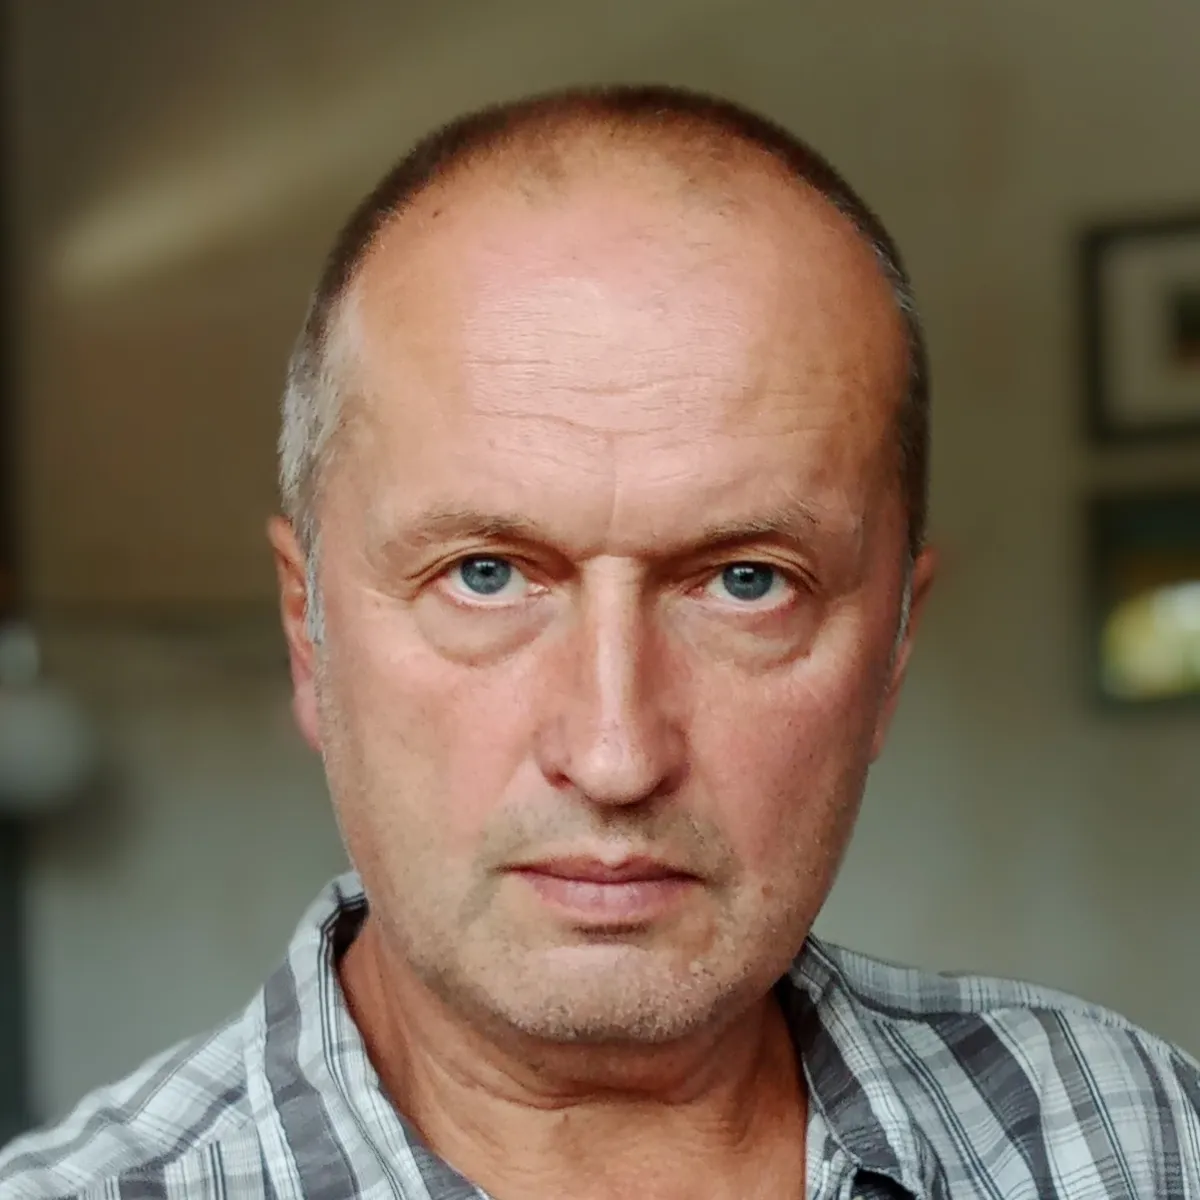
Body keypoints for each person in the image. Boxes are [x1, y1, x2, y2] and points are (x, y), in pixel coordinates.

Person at [2, 84, 1197, 1200]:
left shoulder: (1132, 1141)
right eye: (484, 575)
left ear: (892, 651)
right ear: (307, 634)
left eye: (745, 582)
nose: (615, 754)